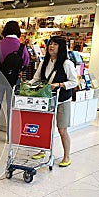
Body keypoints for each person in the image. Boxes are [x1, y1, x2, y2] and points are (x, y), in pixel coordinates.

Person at [29, 36, 78, 167]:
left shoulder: (67, 64)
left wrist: (59, 84)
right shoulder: (44, 62)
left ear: (61, 47)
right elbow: (36, 78)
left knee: (62, 129)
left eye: (55, 44)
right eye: (50, 44)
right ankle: (43, 150)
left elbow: (74, 82)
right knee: (45, 127)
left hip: (62, 100)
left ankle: (67, 156)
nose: (51, 46)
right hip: (47, 100)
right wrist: (28, 84)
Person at [0, 21, 30, 141]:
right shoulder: (22, 46)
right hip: (14, 81)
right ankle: (11, 136)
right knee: (12, 108)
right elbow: (26, 63)